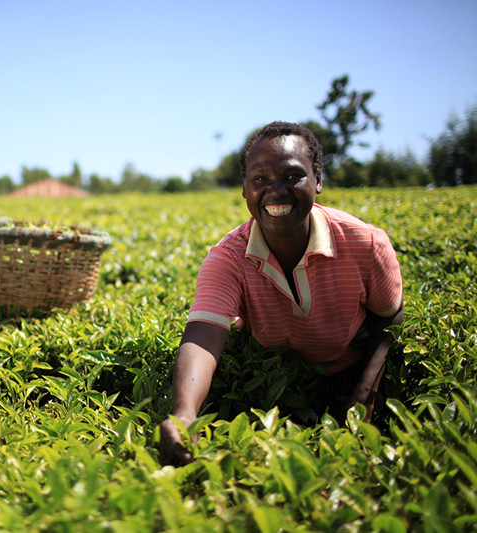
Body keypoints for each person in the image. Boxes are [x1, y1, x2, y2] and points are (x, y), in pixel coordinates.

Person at [158, 121, 404, 466]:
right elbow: (203, 334)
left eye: (292, 176)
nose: (276, 191)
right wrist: (184, 413)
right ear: (244, 189)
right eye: (260, 179)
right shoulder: (227, 258)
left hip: (348, 368)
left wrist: (364, 394)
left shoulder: (365, 244)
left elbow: (389, 315)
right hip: (274, 377)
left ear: (317, 180)